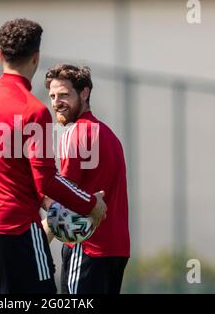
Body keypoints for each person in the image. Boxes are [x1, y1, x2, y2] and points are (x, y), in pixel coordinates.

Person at [0, 18, 107, 294]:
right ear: (36, 57)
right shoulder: (34, 111)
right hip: (15, 231)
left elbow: (2, 171)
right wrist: (90, 205)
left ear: (0, 55)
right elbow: (47, 180)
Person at [44, 64, 130, 294]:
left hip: (88, 247)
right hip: (117, 250)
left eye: (64, 94)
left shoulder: (74, 133)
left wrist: (38, 244)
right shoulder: (109, 135)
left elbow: (64, 196)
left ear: (84, 93)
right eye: (52, 96)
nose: (56, 102)